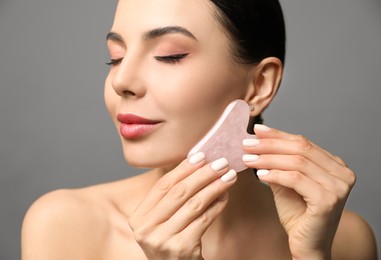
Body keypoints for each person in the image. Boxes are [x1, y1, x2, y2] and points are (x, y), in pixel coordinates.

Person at [21, 0, 378, 259]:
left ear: (259, 85)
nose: (122, 81)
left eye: (169, 55)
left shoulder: (344, 239)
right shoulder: (66, 226)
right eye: (115, 57)